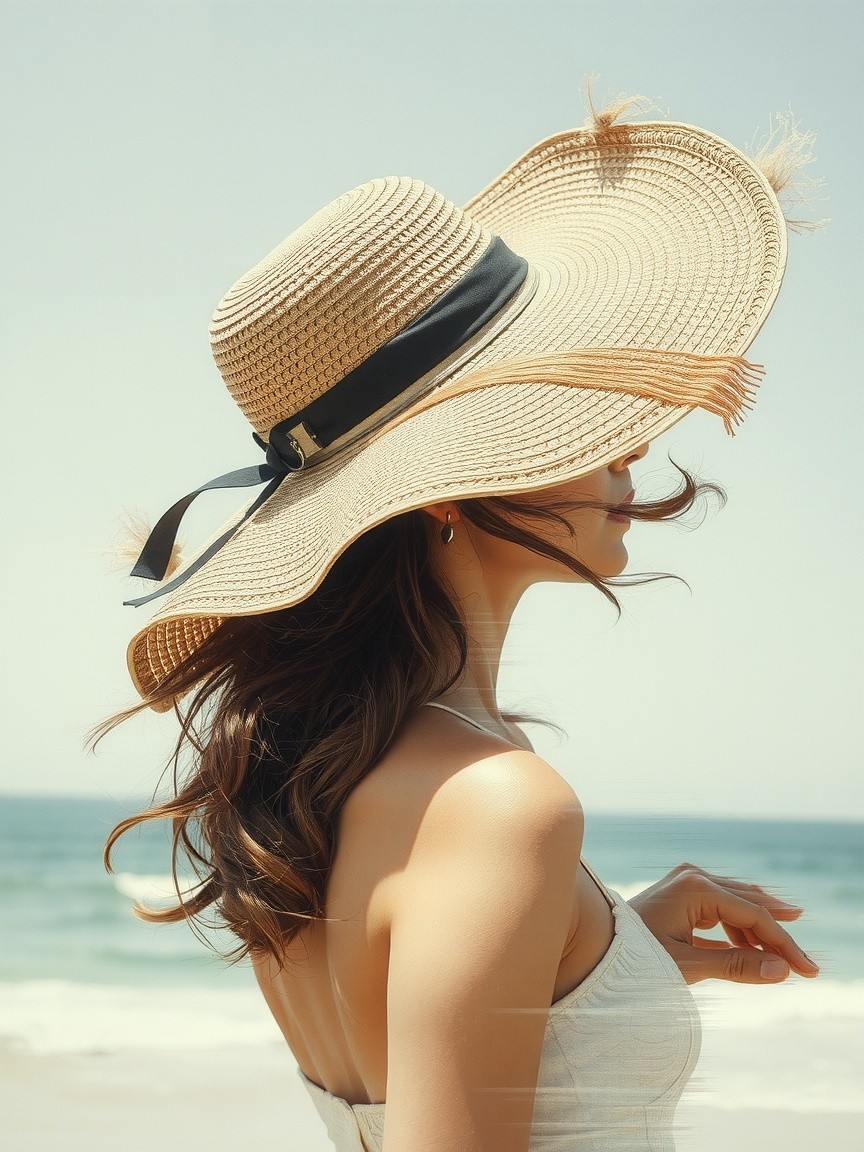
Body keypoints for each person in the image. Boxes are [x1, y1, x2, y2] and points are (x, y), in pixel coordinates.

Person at [100, 93, 821, 1151]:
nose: (624, 444)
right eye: (564, 407)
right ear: (444, 486)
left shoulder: (324, 787)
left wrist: (603, 952)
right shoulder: (496, 806)